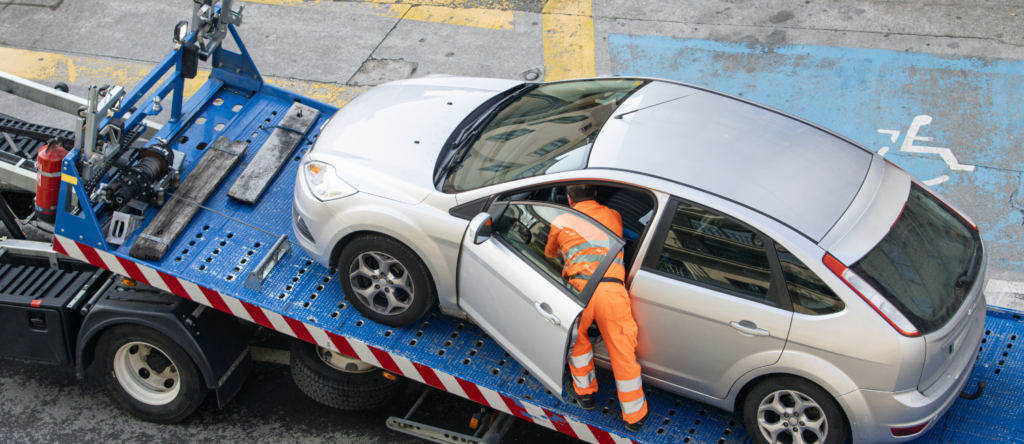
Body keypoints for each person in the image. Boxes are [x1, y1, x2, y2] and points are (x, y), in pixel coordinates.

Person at [544, 184, 648, 432]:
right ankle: (634, 417)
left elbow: (549, 253)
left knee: (577, 344)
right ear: (596, 194)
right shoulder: (614, 215)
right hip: (612, 291)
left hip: (579, 292)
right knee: (622, 352)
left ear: (569, 199)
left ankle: (585, 394)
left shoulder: (561, 221)